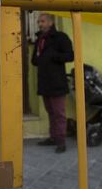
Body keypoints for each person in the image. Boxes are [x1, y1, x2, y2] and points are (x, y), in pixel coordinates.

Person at [31, 13, 74, 153]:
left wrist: (53, 56)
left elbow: (70, 56)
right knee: (50, 112)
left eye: (42, 21)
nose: (40, 24)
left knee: (59, 113)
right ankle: (53, 137)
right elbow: (34, 60)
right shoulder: (39, 39)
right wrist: (39, 59)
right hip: (44, 81)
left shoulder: (60, 37)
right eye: (39, 22)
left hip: (57, 82)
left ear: (51, 22)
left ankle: (61, 141)